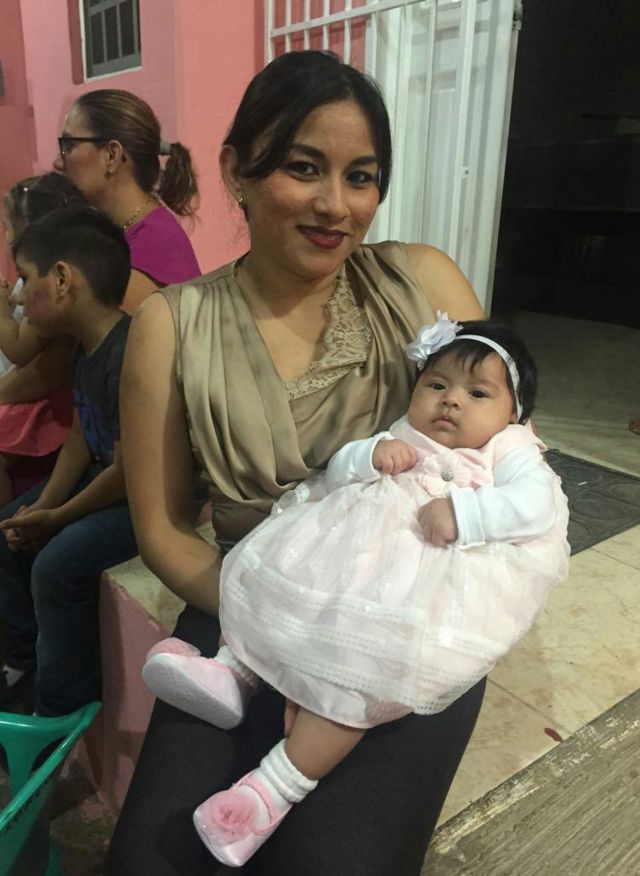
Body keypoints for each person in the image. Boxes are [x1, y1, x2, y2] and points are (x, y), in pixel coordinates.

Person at [110, 50, 490, 876]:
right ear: (236, 172)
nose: (335, 205)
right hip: (241, 603)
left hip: (405, 626)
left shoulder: (424, 284)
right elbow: (165, 528)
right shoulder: (173, 326)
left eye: (362, 176)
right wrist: (280, 623)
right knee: (153, 859)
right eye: (303, 167)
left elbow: (503, 459)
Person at [142, 317, 569, 866]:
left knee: (356, 688)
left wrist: (466, 513)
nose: (450, 400)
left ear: (514, 413)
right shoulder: (405, 429)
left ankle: (269, 792)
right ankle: (232, 674)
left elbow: (536, 506)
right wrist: (368, 457)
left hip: (408, 594)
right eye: (436, 384)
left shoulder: (510, 448)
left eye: (477, 393)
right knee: (278, 592)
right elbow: (335, 471)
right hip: (339, 557)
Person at [0, 205, 139, 715]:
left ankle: (62, 708)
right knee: (7, 529)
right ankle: (23, 668)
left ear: (61, 279)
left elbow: (128, 472)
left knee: (55, 566)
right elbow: (81, 437)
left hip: (140, 499)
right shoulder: (85, 348)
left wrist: (57, 517)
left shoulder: (131, 351)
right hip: (103, 480)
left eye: (24, 278)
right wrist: (41, 508)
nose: (17, 296)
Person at [54, 88, 201, 312]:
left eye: (69, 146)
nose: (58, 162)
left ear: (112, 155)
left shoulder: (156, 247)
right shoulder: (122, 232)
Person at [0, 173, 86, 505]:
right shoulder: (31, 280)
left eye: (7, 228)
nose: (6, 238)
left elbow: (19, 349)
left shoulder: (45, 287)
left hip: (39, 406)